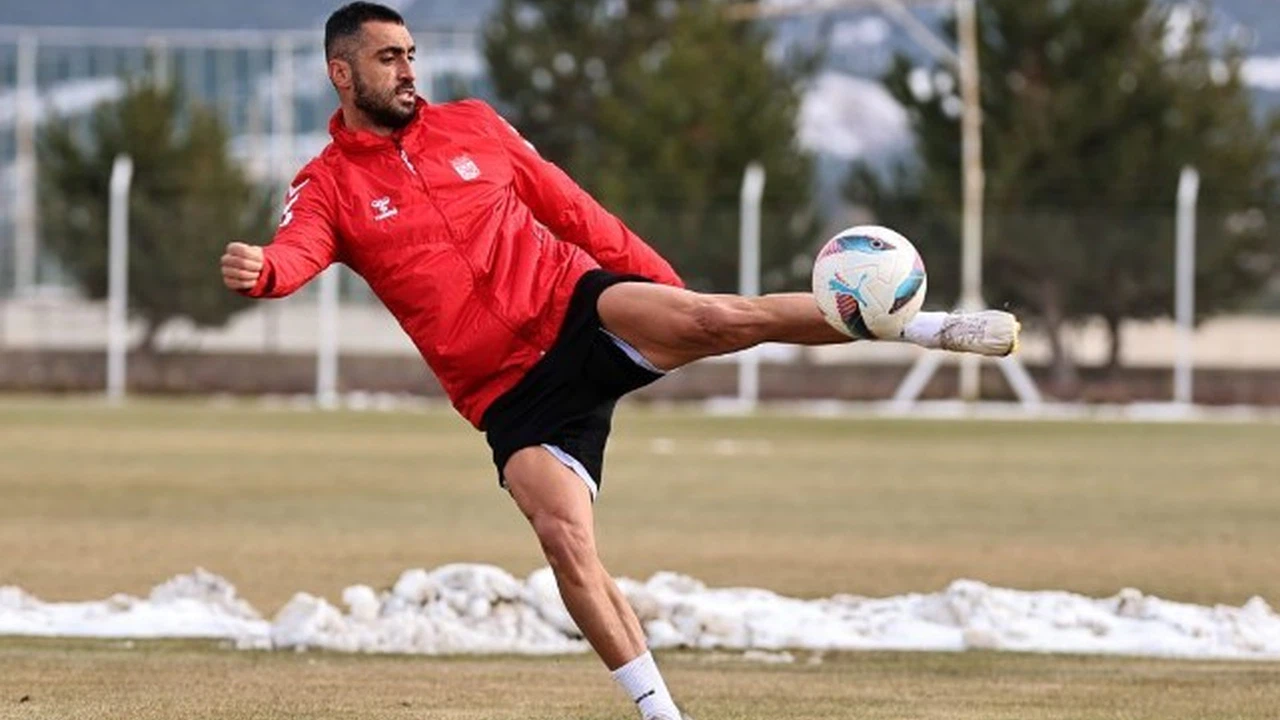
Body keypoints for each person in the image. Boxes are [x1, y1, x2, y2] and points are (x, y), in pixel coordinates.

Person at [219, 3, 1019, 718]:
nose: (407, 70)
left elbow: (572, 208)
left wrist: (659, 286)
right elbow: (297, 250)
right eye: (388, 57)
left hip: (571, 306)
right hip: (507, 392)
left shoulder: (474, 126)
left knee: (715, 318)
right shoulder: (327, 184)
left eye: (410, 54)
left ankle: (922, 326)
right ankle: (659, 712)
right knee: (566, 545)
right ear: (342, 73)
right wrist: (266, 271)